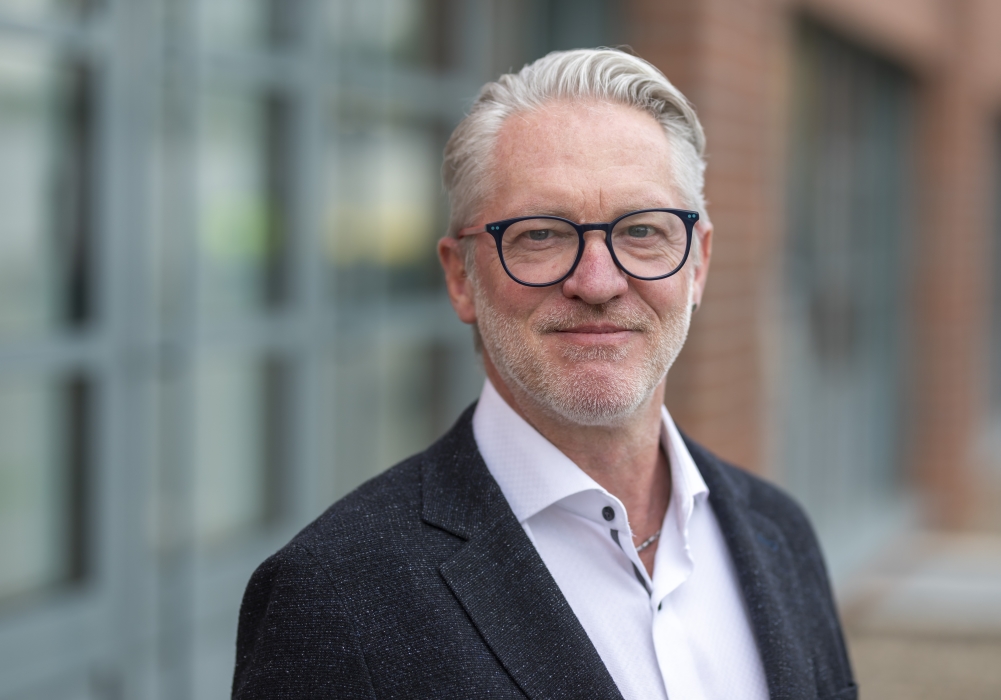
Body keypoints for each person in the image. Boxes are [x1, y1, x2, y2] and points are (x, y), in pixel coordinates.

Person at [232, 49, 857, 700]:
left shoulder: (779, 532)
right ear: (459, 277)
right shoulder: (337, 596)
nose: (597, 282)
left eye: (642, 230)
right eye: (540, 235)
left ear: (696, 266)